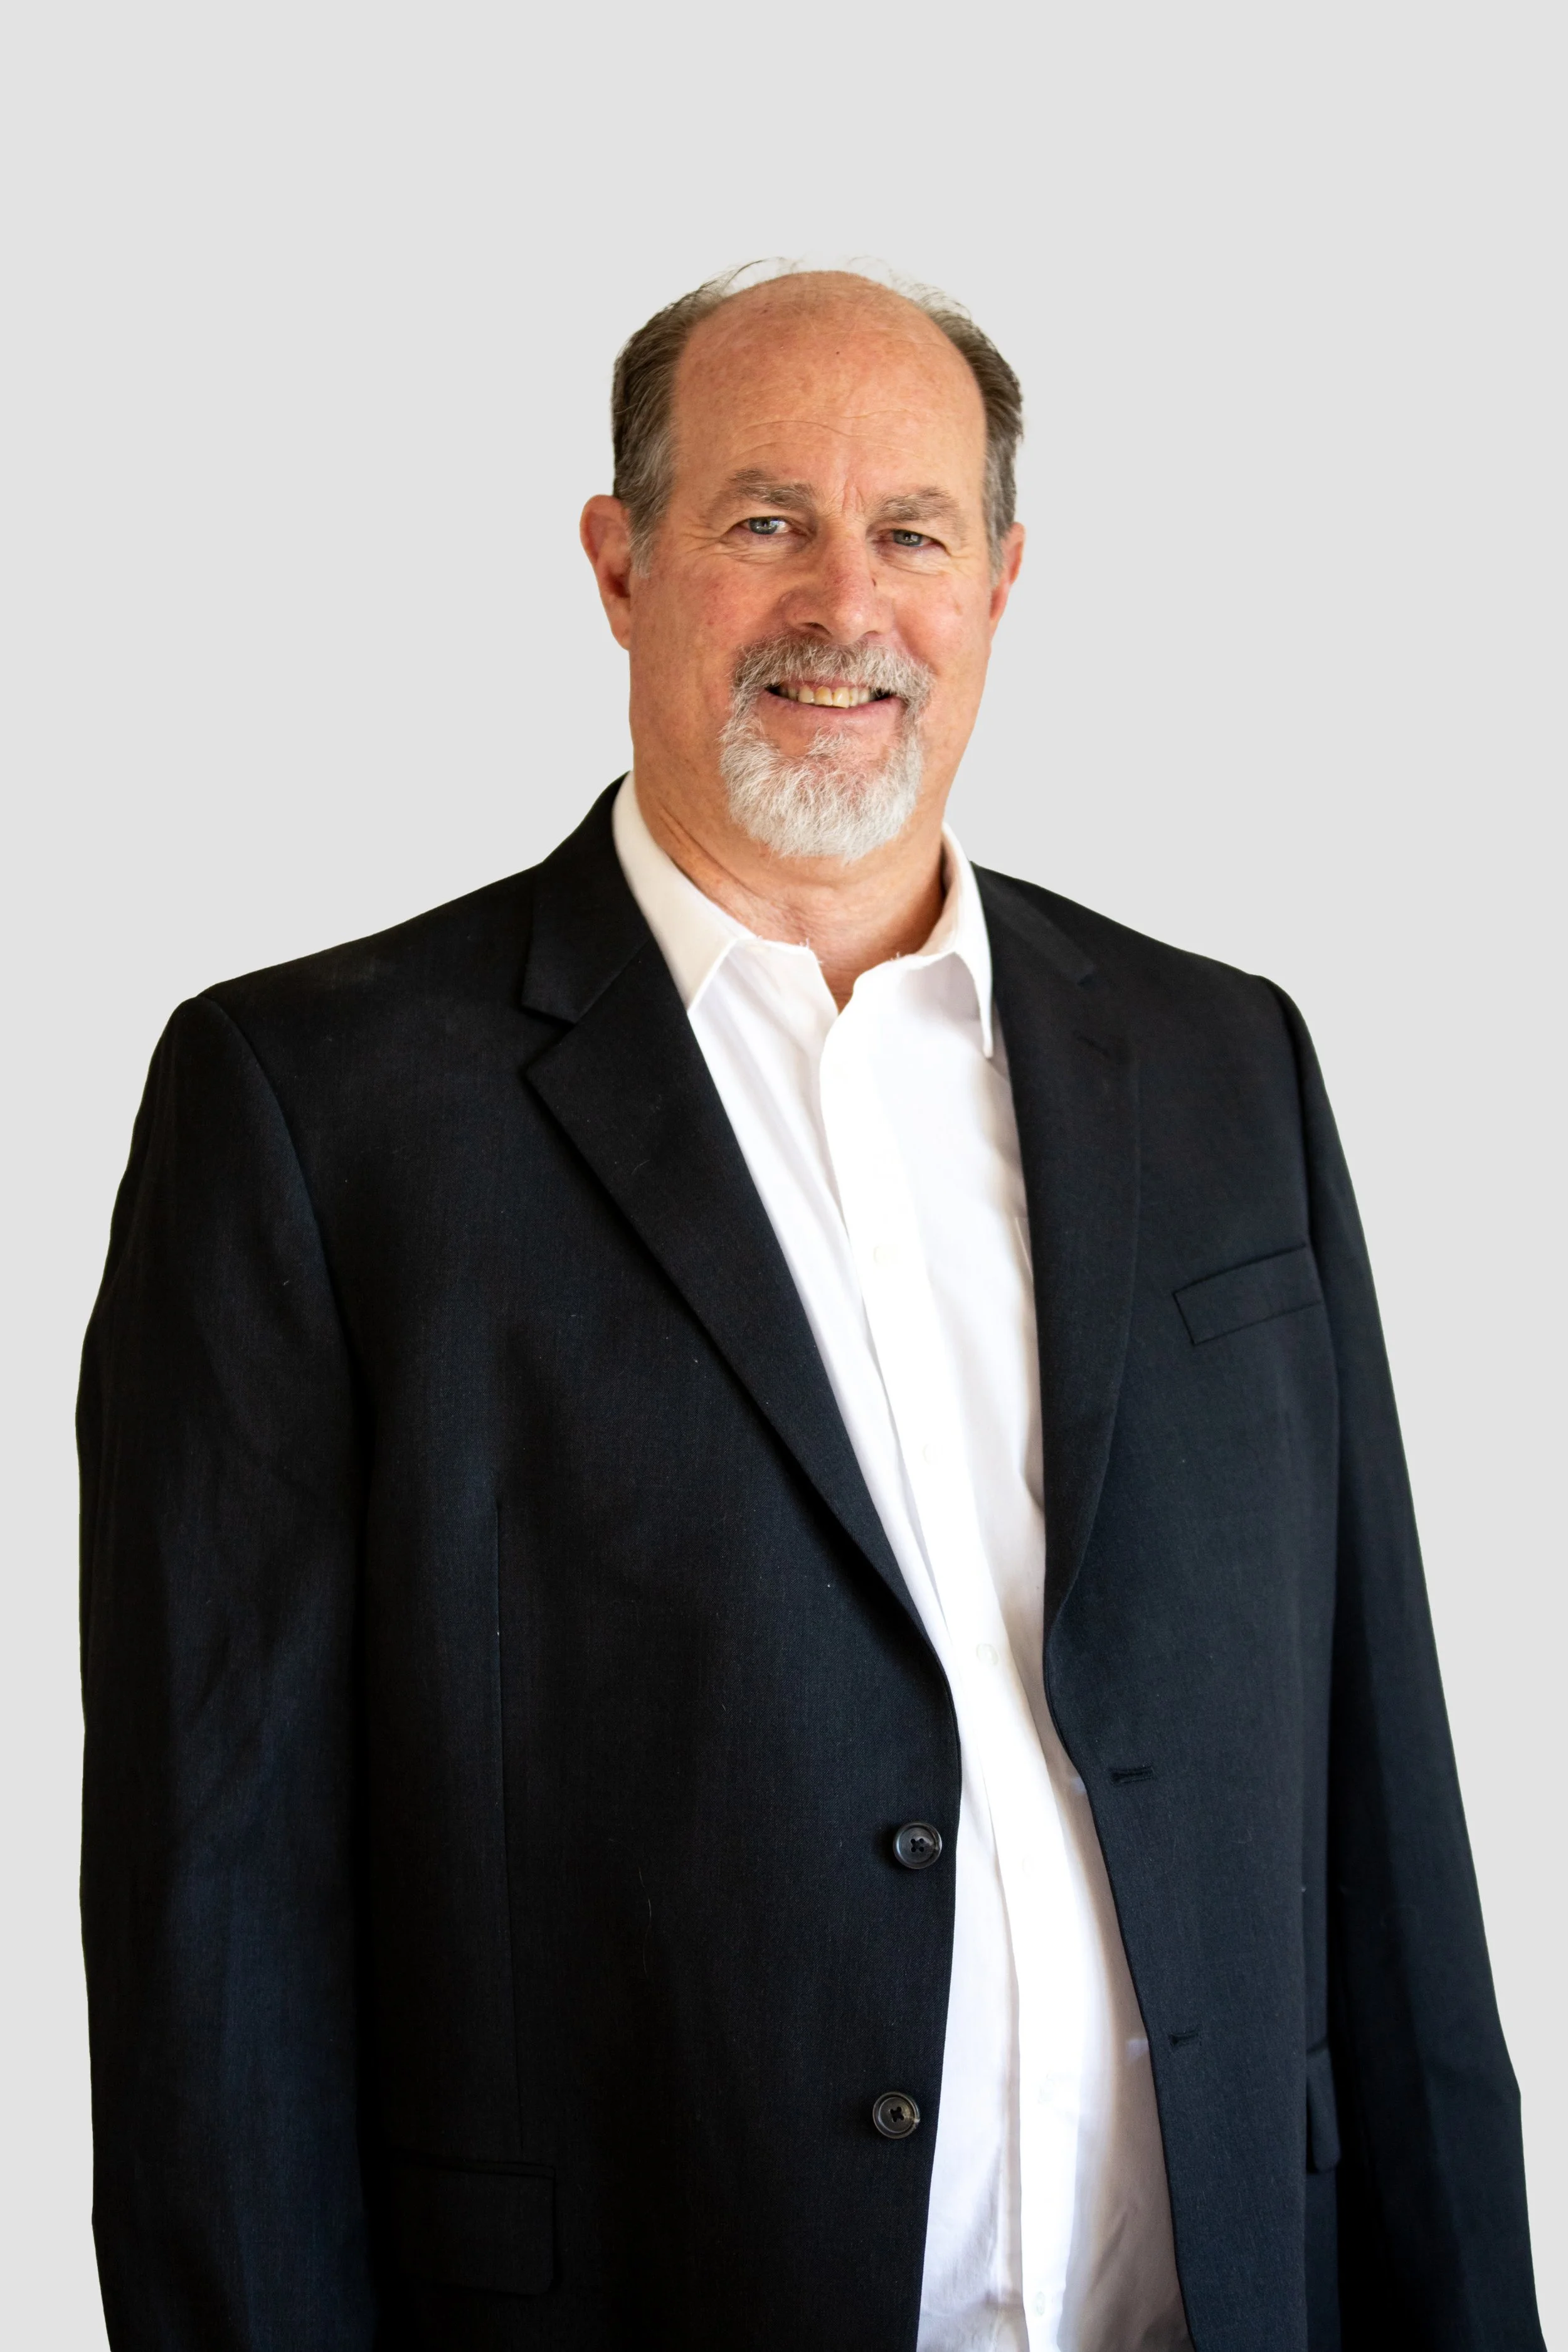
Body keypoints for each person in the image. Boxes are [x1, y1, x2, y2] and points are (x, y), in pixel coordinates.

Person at [78, 265, 1542, 2352]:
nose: (845, 606)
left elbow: (1382, 1812)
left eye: (912, 531)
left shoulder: (1226, 1069)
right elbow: (217, 1939)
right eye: (767, 519)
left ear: (1000, 582)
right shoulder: (320, 1111)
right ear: (619, 563)